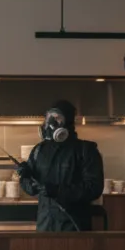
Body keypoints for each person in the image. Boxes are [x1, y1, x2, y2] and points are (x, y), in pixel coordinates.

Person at [18, 99, 105, 232]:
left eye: (57, 118)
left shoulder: (85, 150)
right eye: (49, 118)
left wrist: (58, 191)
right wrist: (24, 177)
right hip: (44, 225)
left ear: (68, 122)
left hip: (74, 226)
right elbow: (32, 189)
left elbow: (94, 188)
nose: (51, 123)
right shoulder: (38, 151)